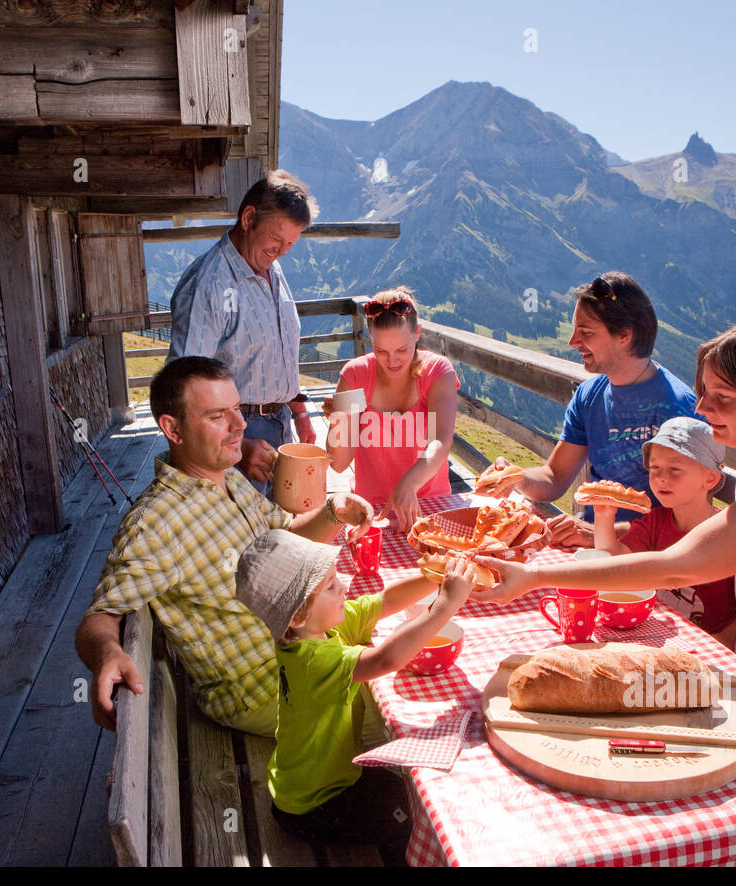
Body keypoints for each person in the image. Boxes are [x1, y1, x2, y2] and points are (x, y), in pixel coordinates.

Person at [475, 321, 736, 767]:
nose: (702, 406)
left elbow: (681, 565)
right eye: (705, 392)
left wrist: (535, 577)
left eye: (724, 398)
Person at [74, 357, 374, 737]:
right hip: (262, 688)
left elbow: (286, 536)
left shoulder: (228, 477)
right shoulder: (155, 525)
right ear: (173, 429)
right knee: (401, 700)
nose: (240, 425)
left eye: (237, 408)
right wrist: (107, 651)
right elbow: (99, 616)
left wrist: (334, 511)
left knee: (409, 628)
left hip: (301, 645)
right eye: (219, 416)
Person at [234, 529, 476, 850]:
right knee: (411, 824)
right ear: (298, 614)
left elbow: (386, 600)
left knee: (413, 793)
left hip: (326, 778)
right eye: (332, 587)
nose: (344, 587)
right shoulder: (312, 659)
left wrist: (436, 577)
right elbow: (385, 659)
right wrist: (444, 605)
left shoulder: (320, 628)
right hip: (315, 804)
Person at [481, 272, 698, 546]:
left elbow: (684, 519)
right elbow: (555, 477)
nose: (572, 341)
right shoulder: (589, 395)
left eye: (585, 332)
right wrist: (514, 476)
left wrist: (599, 533)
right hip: (591, 544)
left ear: (624, 336)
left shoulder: (677, 408)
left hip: (645, 559)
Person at [167, 170, 319, 495]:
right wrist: (237, 445)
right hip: (237, 439)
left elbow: (277, 352)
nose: (281, 252)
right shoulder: (208, 286)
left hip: (280, 425)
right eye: (276, 240)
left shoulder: (269, 266)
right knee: (246, 543)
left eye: (290, 244)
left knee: (278, 535)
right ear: (248, 218)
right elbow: (182, 391)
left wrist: (299, 411)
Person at [324, 288, 459, 532]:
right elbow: (339, 464)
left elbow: (440, 440)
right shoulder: (355, 375)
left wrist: (408, 485)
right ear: (370, 339)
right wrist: (339, 420)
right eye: (381, 351)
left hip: (430, 506)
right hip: (370, 512)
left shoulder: (438, 372)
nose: (392, 361)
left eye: (402, 350)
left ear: (417, 334)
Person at [591, 417, 736, 636]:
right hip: (654, 631)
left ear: (710, 479)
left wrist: (724, 641)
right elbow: (612, 560)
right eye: (654, 468)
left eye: (675, 469)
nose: (660, 478)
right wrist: (603, 516)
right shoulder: (655, 521)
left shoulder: (729, 533)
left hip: (708, 642)